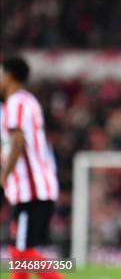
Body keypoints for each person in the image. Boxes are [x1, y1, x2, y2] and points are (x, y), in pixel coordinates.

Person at [1, 57, 62, 279]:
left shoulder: (15, 103)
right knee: (18, 252)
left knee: (22, 252)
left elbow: (17, 141)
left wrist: (2, 178)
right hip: (32, 188)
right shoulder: (27, 101)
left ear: (8, 76)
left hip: (31, 190)